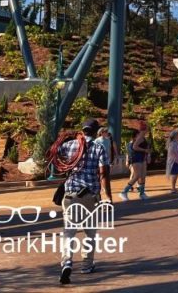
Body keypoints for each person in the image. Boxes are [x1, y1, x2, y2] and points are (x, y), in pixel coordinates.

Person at [52, 118, 112, 285]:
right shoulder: (99, 147)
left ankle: (67, 263)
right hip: (90, 196)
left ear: (82, 130)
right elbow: (104, 173)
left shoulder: (70, 145)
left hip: (70, 195)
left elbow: (55, 156)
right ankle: (87, 265)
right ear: (95, 131)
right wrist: (108, 196)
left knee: (69, 232)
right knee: (90, 233)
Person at [118, 121, 150, 201]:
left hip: (141, 157)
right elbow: (134, 147)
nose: (148, 130)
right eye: (147, 128)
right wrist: (145, 150)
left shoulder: (142, 136)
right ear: (145, 129)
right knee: (137, 175)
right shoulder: (140, 136)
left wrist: (145, 153)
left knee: (143, 176)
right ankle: (124, 192)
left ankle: (142, 193)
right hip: (136, 157)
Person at [165, 129, 178, 193]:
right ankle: (173, 188)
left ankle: (174, 188)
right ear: (175, 136)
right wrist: (177, 160)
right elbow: (172, 153)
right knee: (174, 175)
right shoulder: (172, 144)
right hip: (174, 162)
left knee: (176, 174)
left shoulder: (177, 143)